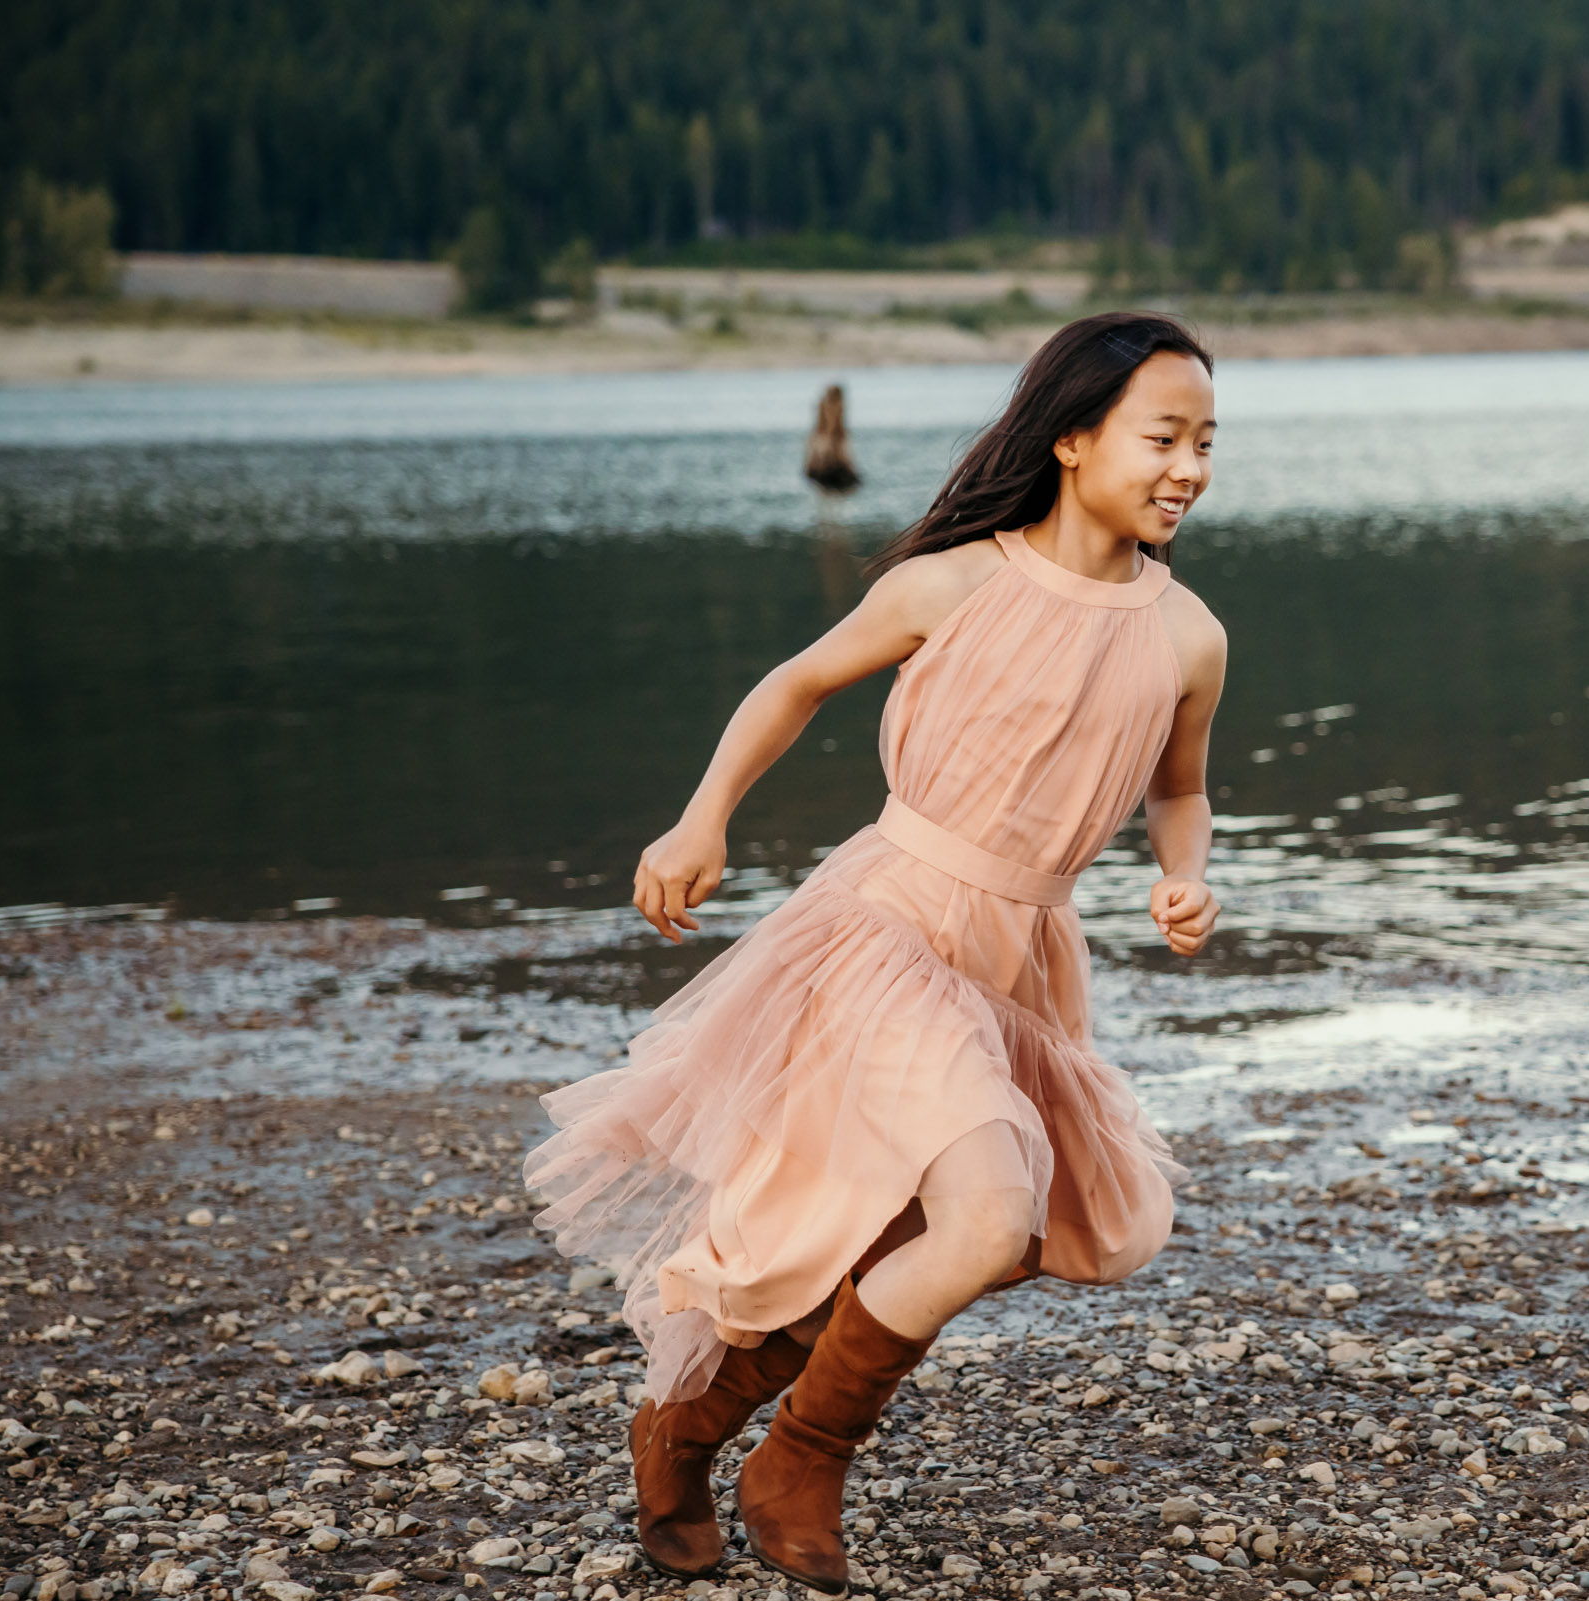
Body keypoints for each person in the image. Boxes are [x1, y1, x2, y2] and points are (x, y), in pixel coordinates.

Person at [523, 311, 1227, 1595]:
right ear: (1074, 440)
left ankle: (680, 1431)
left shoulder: (1189, 636)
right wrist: (702, 817)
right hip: (888, 926)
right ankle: (804, 1458)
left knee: (880, 1229)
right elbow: (791, 684)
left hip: (1017, 962)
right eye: (1163, 437)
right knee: (989, 1206)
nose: (1188, 466)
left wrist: (1184, 877)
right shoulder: (953, 582)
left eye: (1207, 444)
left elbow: (1179, 786)